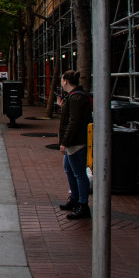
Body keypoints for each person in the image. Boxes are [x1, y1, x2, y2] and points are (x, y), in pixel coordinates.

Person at [56, 69, 93, 219]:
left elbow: (74, 121)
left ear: (65, 80)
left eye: (61, 79)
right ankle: (75, 199)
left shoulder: (76, 97)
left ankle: (82, 204)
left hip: (76, 141)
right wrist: (62, 106)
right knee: (69, 169)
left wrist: (65, 142)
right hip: (74, 140)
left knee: (78, 173)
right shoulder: (74, 97)